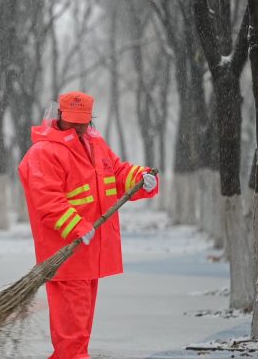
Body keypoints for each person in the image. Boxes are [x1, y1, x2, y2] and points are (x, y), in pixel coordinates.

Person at [18, 91, 158, 359]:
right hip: (67, 254)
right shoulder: (44, 152)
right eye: (73, 121)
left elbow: (115, 173)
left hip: (89, 252)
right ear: (60, 116)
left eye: (83, 121)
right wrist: (78, 226)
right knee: (73, 333)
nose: (79, 127)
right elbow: (46, 201)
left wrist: (141, 178)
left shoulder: (95, 143)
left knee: (79, 329)